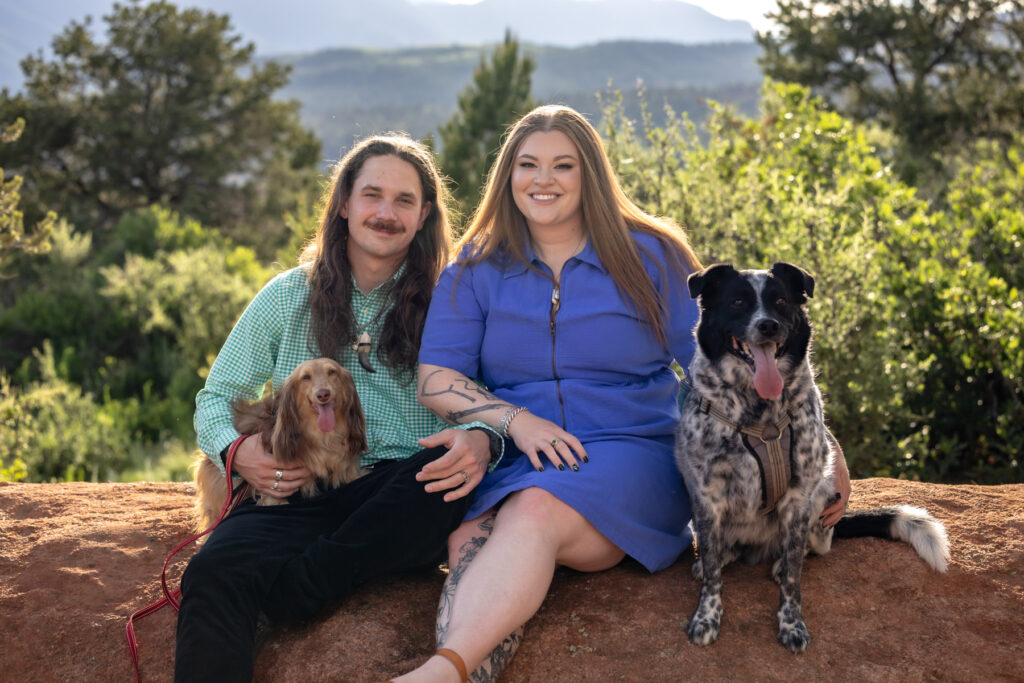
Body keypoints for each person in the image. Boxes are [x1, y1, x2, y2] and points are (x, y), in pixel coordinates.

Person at [394, 105, 851, 682]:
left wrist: (821, 448)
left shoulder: (652, 254)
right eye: (527, 164)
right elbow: (436, 378)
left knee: (533, 512)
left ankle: (439, 673)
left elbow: (737, 360)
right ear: (506, 176)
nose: (543, 180)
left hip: (633, 451)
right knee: (468, 537)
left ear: (591, 174)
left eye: (564, 165)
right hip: (521, 452)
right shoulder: (477, 267)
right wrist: (517, 423)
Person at [175, 135, 502, 683]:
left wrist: (479, 437)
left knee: (436, 480)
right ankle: (306, 576)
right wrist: (240, 451)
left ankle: (294, 592)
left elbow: (491, 400)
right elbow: (216, 395)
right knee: (212, 572)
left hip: (397, 488)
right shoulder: (287, 295)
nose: (385, 213)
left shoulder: (456, 301)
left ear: (424, 215)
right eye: (371, 194)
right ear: (344, 204)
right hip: (299, 487)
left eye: (404, 201)